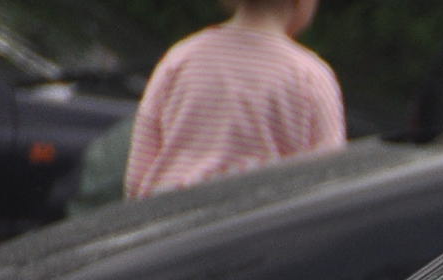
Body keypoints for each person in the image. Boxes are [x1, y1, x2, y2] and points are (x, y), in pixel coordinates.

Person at [124, 0, 344, 200]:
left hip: (172, 221)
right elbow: (329, 180)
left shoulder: (179, 60)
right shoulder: (310, 78)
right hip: (256, 224)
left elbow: (137, 177)